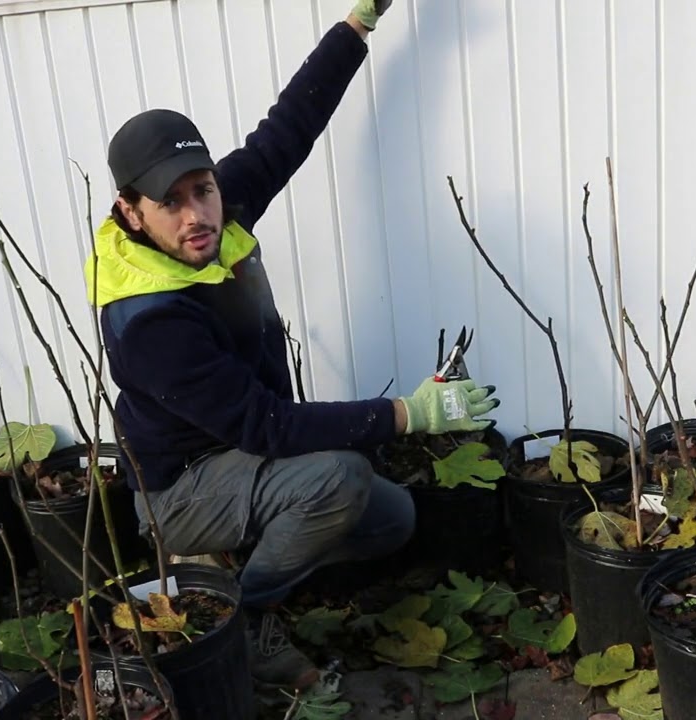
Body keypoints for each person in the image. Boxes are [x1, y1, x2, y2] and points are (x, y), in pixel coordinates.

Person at [83, 0, 499, 690]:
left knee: (391, 521)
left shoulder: (218, 214)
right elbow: (268, 427)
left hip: (244, 457)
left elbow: (288, 129)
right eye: (170, 203)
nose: (195, 215)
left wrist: (358, 24)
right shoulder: (149, 319)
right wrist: (408, 414)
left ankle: (236, 561)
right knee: (339, 477)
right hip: (181, 490)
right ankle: (240, 617)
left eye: (202, 190)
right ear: (131, 211)